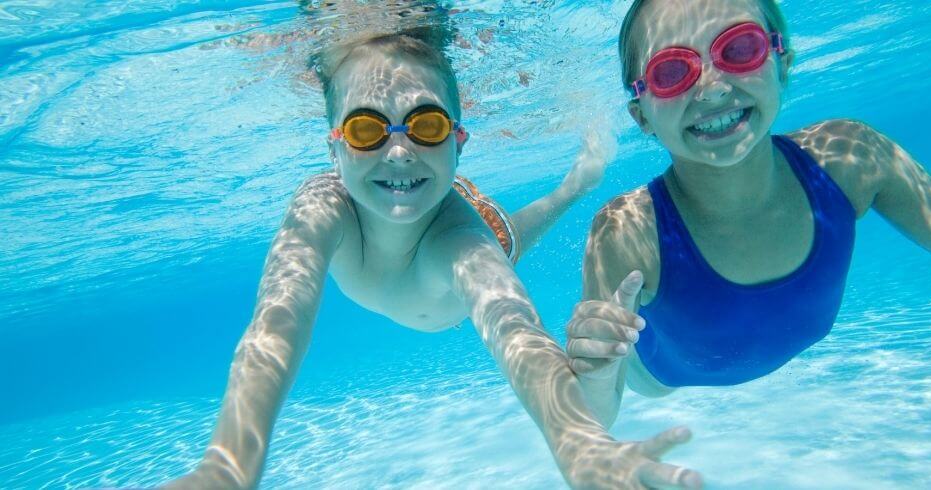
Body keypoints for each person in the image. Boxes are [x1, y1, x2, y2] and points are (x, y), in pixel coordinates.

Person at [164, 16, 703, 490]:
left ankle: (576, 183)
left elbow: (519, 333)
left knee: (514, 235)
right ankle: (575, 181)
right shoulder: (321, 207)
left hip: (470, 222)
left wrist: (576, 441)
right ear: (334, 148)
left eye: (426, 125)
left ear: (457, 141)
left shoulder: (463, 242)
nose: (398, 150)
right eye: (366, 129)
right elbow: (276, 324)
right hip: (440, 216)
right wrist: (228, 466)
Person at [566, 0, 931, 428]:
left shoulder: (850, 158)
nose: (712, 89)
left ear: (782, 62)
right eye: (672, 72)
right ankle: (583, 176)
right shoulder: (626, 230)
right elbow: (593, 417)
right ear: (643, 117)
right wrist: (597, 373)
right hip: (660, 375)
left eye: (738, 48)